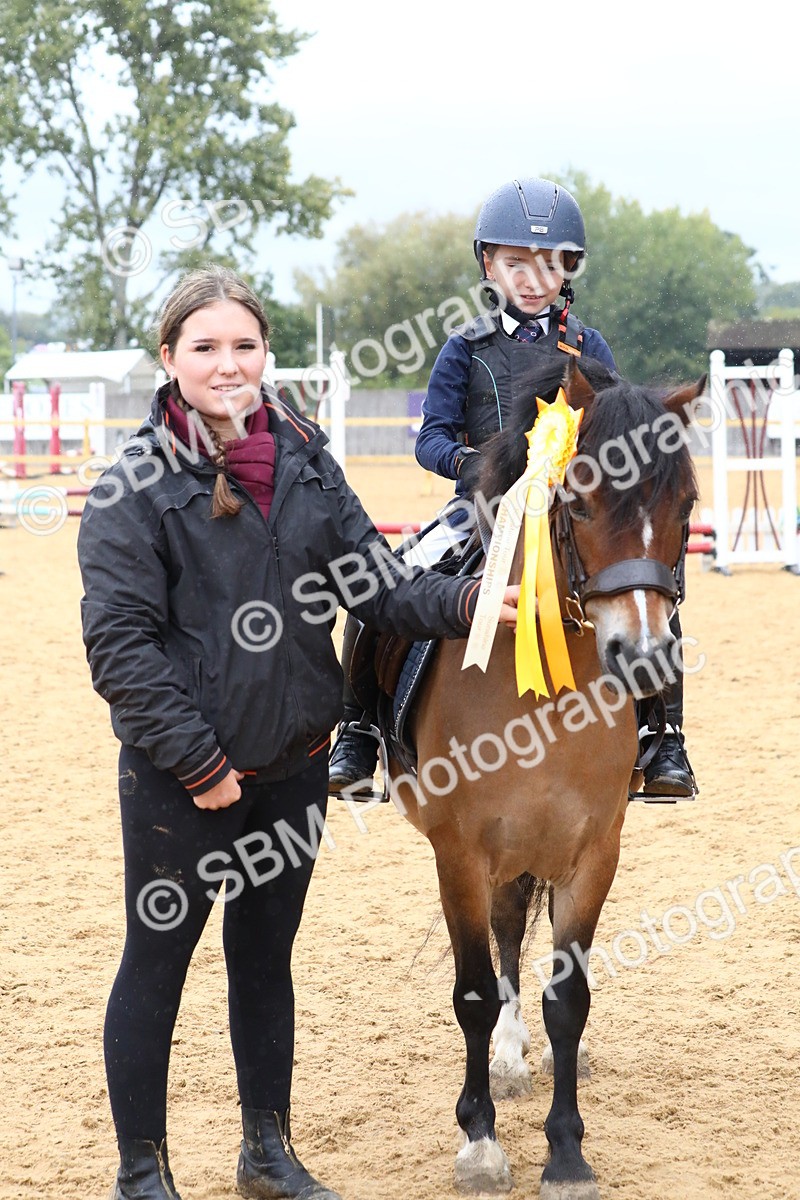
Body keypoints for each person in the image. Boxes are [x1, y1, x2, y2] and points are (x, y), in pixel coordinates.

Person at [77, 266, 519, 1200]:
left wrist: (470, 600)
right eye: (205, 347)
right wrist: (201, 764)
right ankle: (141, 1175)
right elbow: (120, 650)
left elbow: (378, 585)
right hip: (183, 782)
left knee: (263, 963)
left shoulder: (307, 460)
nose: (227, 364)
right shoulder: (133, 488)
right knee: (156, 966)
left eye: (244, 346)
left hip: (293, 768)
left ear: (265, 353)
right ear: (170, 357)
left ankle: (265, 1154)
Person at [329, 177, 696, 800]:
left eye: (550, 264)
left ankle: (665, 739)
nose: (533, 279)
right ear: (488, 265)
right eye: (515, 263)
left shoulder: (589, 346)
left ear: (569, 269)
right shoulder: (464, 349)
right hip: (480, 509)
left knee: (649, 586)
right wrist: (475, 464)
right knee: (391, 577)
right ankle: (359, 729)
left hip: (572, 508)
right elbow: (431, 439)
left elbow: (614, 429)